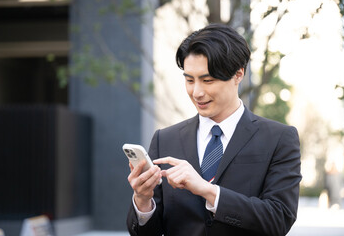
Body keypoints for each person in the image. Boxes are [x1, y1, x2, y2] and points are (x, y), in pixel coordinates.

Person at [126, 23, 302, 236]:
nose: (197, 92)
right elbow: (146, 233)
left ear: (238, 75)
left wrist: (208, 191)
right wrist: (142, 201)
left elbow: (279, 219)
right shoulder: (165, 139)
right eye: (190, 80)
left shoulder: (279, 138)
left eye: (207, 80)